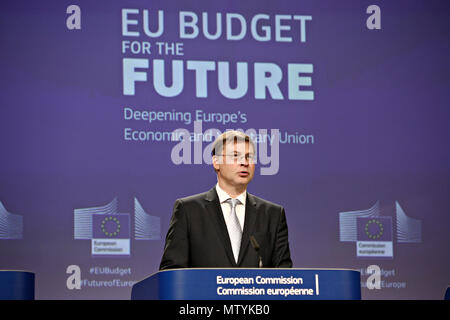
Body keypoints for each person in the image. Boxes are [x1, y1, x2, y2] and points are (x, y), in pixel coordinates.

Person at [160, 130, 292, 269]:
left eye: (249, 157)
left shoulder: (273, 214)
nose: (244, 163)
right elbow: (172, 272)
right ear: (216, 162)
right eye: (236, 156)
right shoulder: (188, 210)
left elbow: (284, 277)